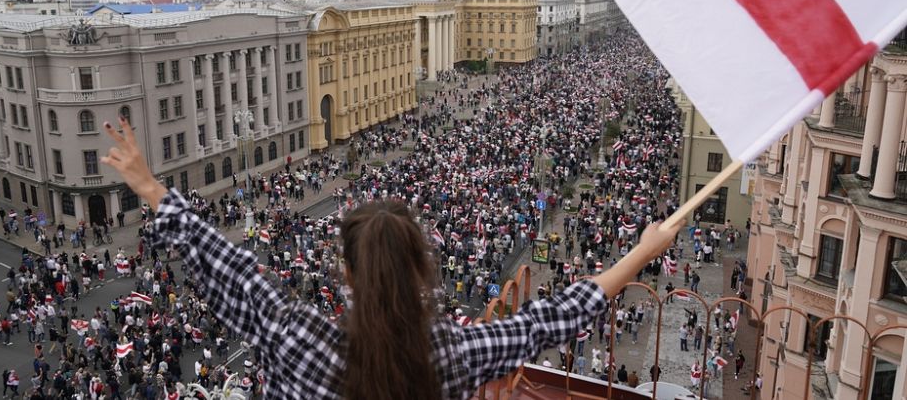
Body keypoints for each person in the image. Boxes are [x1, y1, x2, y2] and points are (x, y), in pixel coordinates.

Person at [99, 115, 680, 399]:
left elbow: (228, 266)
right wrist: (641, 251)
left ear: (346, 271)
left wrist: (151, 188)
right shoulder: (450, 353)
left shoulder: (294, 335)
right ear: (422, 268)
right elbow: (552, 319)